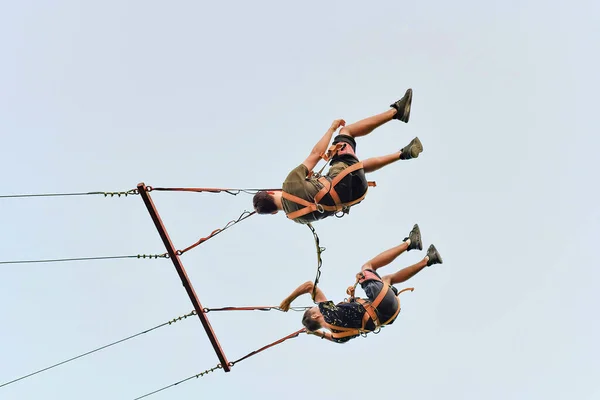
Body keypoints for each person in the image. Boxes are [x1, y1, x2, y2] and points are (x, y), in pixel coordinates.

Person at [252, 89, 424, 224]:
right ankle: (396, 112)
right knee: (346, 132)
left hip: (356, 193)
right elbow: (316, 155)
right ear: (270, 192)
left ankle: (404, 153)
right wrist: (332, 128)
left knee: (357, 166)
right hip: (342, 179)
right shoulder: (289, 184)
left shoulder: (297, 218)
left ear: (274, 212)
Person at [279, 224, 443, 343]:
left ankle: (428, 259)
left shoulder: (339, 336)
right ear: (315, 315)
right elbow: (309, 286)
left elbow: (330, 337)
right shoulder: (327, 313)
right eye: (313, 308)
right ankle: (410, 243)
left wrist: (315, 333)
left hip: (389, 313)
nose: (316, 306)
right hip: (381, 304)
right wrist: (288, 300)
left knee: (387, 280)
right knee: (367, 268)